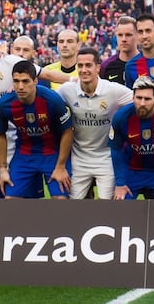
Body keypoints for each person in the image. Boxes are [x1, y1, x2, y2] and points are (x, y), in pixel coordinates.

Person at [0, 28, 69, 198]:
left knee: (18, 193)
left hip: (13, 136)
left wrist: (81, 80)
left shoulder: (11, 63)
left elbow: (48, 75)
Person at [57, 47, 133, 199]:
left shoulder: (113, 90)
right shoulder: (67, 90)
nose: (84, 70)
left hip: (106, 157)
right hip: (79, 157)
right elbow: (47, 101)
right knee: (72, 204)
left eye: (88, 65)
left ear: (98, 67)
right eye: (80, 66)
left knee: (107, 206)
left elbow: (140, 101)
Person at [0, 61, 74, 199]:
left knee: (60, 200)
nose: (20, 86)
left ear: (35, 81)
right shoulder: (4, 104)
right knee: (10, 200)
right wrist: (2, 169)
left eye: (25, 81)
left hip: (52, 154)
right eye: (16, 81)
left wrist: (61, 166)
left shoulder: (52, 99)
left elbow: (68, 131)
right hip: (24, 154)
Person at [109, 76, 154, 200]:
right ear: (133, 98)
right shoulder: (121, 117)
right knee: (119, 211)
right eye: (139, 98)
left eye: (147, 99)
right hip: (131, 171)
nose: (142, 103)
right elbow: (115, 149)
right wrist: (120, 183)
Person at [100, 16, 140, 86]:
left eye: (128, 35)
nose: (123, 39)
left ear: (137, 36)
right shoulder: (106, 66)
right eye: (120, 35)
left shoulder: (147, 62)